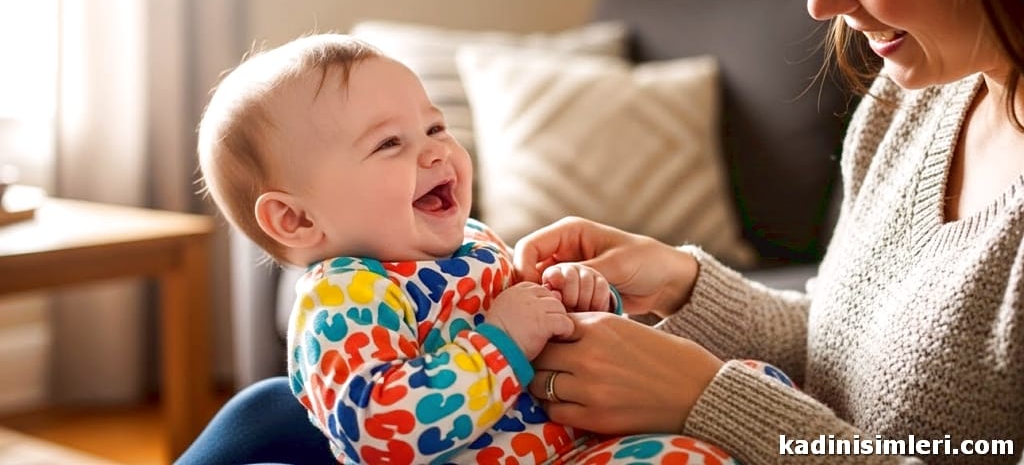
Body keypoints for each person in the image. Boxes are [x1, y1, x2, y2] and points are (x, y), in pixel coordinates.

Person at [511, 0, 1024, 464]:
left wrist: (710, 401)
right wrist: (683, 284)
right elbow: (845, 351)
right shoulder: (911, 102)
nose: (818, 1)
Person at [193, 33, 784, 463]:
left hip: (573, 443)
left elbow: (569, 351)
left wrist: (582, 300)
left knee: (757, 385)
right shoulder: (344, 296)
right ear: (296, 218)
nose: (433, 152)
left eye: (434, 127)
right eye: (389, 144)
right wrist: (499, 344)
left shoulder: (476, 244)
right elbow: (379, 429)